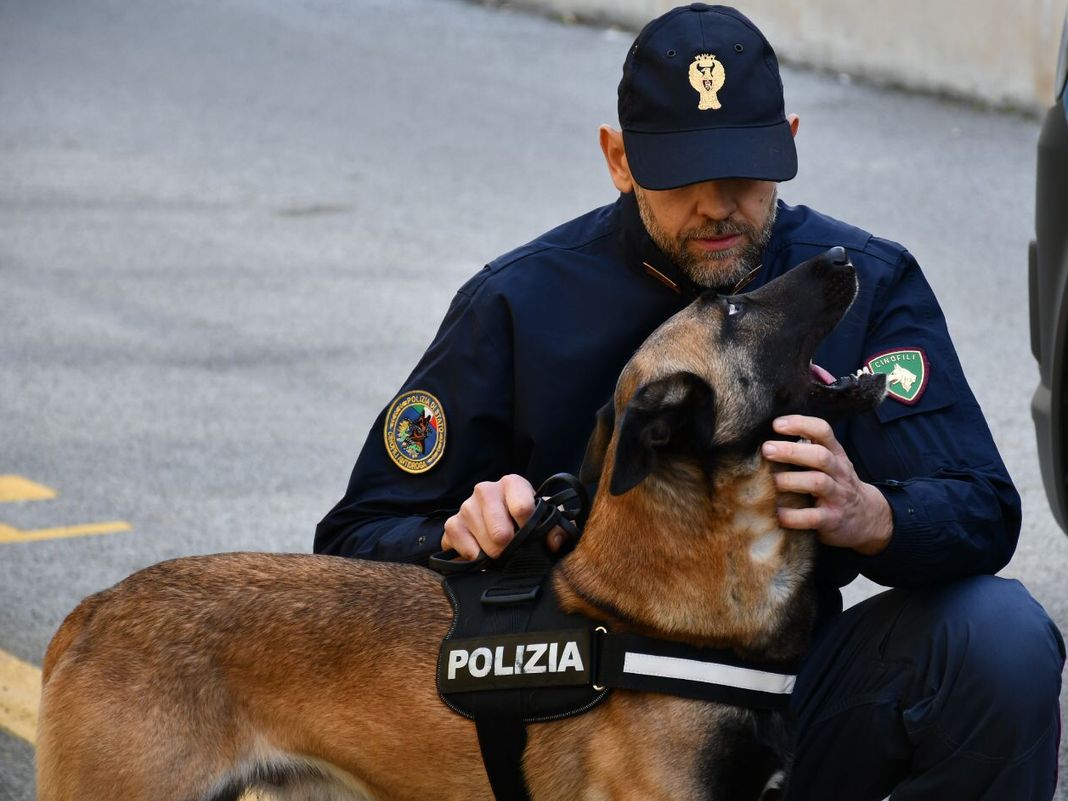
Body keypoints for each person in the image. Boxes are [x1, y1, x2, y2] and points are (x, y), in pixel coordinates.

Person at [316, 4, 1065, 798]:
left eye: (743, 171)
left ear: (790, 144)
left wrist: (874, 513)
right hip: (578, 720)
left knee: (1000, 641)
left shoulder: (858, 286)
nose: (716, 203)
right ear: (619, 159)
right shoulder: (515, 306)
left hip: (789, 698)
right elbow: (351, 540)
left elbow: (982, 506)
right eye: (681, 174)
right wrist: (453, 533)